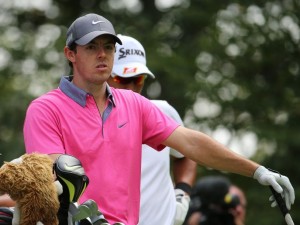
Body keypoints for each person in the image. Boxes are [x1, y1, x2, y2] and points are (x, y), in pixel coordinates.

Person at [22, 13, 294, 225]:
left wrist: (257, 170)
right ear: (71, 54)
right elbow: (56, 175)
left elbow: (191, 144)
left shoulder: (135, 104)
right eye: (91, 47)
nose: (102, 54)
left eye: (108, 46)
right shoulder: (45, 109)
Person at [106, 34, 197, 225]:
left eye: (138, 80)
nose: (131, 87)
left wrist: (182, 194)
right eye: (122, 79)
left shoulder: (162, 111)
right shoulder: (80, 120)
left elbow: (188, 153)